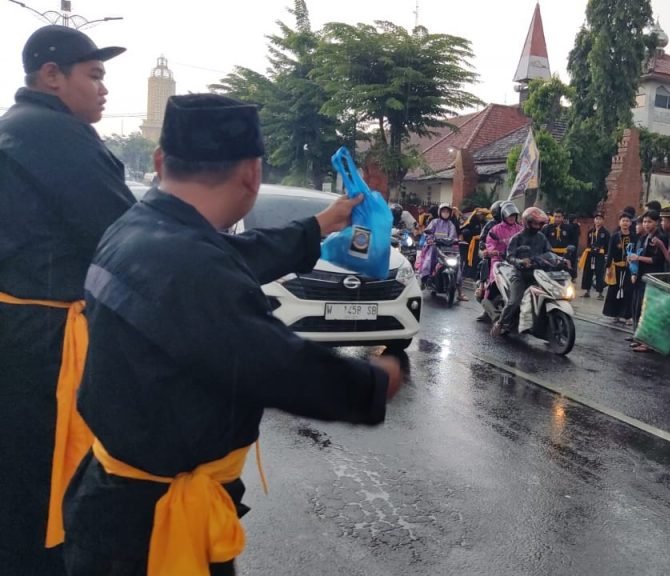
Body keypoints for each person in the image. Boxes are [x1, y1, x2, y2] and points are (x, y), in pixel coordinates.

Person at [61, 93, 404, 575]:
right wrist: (377, 380)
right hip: (150, 535)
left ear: (159, 161)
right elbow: (280, 367)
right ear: (251, 174)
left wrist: (319, 225)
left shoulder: (140, 228)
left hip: (113, 506)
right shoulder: (190, 266)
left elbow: (238, 254)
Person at [0, 25, 132, 574]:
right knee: (51, 485)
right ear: (52, 75)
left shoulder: (14, 127)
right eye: (94, 75)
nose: (104, 88)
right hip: (47, 342)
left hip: (17, 330)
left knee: (17, 479)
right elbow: (127, 238)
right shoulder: (56, 134)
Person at [492, 207, 555, 336]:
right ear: (527, 222)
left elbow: (549, 253)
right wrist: (520, 262)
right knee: (514, 301)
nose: (537, 226)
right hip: (520, 275)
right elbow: (509, 257)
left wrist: (562, 260)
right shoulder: (517, 238)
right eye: (535, 223)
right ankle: (501, 323)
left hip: (538, 274)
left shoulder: (542, 238)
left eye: (539, 224)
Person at [628, 211, 668, 351]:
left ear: (657, 222)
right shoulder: (645, 237)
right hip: (641, 276)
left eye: (649, 221)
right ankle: (639, 337)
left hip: (652, 278)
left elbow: (657, 260)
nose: (646, 224)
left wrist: (638, 258)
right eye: (644, 221)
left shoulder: (660, 238)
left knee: (648, 310)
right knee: (637, 307)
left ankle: (648, 342)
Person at [480, 202, 523, 321]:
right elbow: (489, 243)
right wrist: (493, 251)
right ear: (504, 216)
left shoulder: (520, 229)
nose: (512, 218)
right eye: (510, 216)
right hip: (499, 261)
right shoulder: (495, 229)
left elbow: (525, 242)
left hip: (514, 261)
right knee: (493, 283)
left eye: (514, 216)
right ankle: (487, 308)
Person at [602, 213, 636, 324]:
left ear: (630, 223)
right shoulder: (614, 237)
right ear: (619, 223)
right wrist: (608, 267)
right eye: (623, 220)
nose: (625, 223)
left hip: (629, 268)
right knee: (614, 290)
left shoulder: (634, 237)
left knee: (628, 291)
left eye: (627, 221)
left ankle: (627, 316)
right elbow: (610, 252)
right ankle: (614, 314)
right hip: (616, 267)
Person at [580, 212, 611, 299]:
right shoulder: (591, 231)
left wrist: (606, 255)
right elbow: (588, 243)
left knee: (599, 273)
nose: (598, 221)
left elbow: (608, 245)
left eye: (600, 219)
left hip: (600, 255)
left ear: (603, 221)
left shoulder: (605, 233)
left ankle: (600, 293)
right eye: (596, 219)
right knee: (588, 272)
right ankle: (587, 291)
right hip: (590, 254)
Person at [543, 208, 579, 278]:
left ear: (562, 217)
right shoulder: (547, 228)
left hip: (565, 255)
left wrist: (570, 255)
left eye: (559, 217)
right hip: (551, 255)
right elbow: (543, 241)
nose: (557, 219)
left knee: (565, 276)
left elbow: (574, 242)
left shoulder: (569, 228)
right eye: (555, 216)